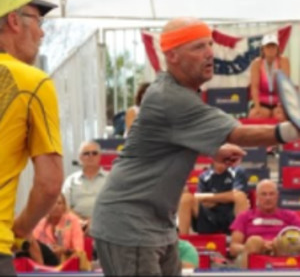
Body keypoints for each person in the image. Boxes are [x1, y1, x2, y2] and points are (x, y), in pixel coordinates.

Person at [91, 17, 300, 276]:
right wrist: (292, 129)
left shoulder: (175, 93)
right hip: (130, 223)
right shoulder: (171, 97)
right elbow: (238, 133)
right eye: (198, 47)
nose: (210, 53)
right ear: (173, 56)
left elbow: (163, 141)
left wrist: (213, 148)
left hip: (157, 224)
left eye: (210, 45)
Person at [0, 0, 63, 275]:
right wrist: (21, 229)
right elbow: (49, 184)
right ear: (13, 21)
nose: (41, 32)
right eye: (38, 21)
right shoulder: (31, 82)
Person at [229, 179, 300, 268]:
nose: (268, 198)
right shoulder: (244, 216)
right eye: (264, 194)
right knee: (255, 241)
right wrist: (251, 247)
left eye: (271, 194)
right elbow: (233, 247)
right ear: (257, 197)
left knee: (280, 242)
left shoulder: (290, 216)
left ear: (277, 196)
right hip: (253, 254)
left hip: (281, 253)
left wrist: (277, 244)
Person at [178, 160, 249, 235]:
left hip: (230, 215)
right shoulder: (204, 176)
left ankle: (238, 238)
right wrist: (226, 198)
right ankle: (182, 241)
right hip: (209, 216)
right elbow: (202, 201)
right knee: (185, 198)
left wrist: (210, 197)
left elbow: (237, 195)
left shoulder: (237, 171)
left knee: (241, 196)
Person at [62, 140, 107, 234]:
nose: (90, 156)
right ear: (80, 157)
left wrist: (94, 222)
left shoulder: (110, 179)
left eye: (94, 153)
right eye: (86, 153)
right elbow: (64, 206)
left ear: (100, 156)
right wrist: (80, 222)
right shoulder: (70, 180)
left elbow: (115, 205)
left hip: (105, 223)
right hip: (76, 224)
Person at [248, 33, 290, 121]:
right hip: (262, 101)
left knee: (281, 117)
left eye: (273, 47)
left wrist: (281, 105)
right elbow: (254, 88)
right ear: (263, 49)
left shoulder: (284, 61)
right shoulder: (256, 63)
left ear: (277, 48)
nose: (271, 49)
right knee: (254, 116)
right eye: (268, 47)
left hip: (279, 101)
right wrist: (257, 107)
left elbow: (285, 86)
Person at [33, 193, 84, 265]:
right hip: (45, 262)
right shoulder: (42, 222)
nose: (55, 206)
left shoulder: (72, 220)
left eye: (59, 203)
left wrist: (64, 250)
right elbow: (33, 244)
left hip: (68, 264)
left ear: (64, 206)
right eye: (52, 203)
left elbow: (79, 251)